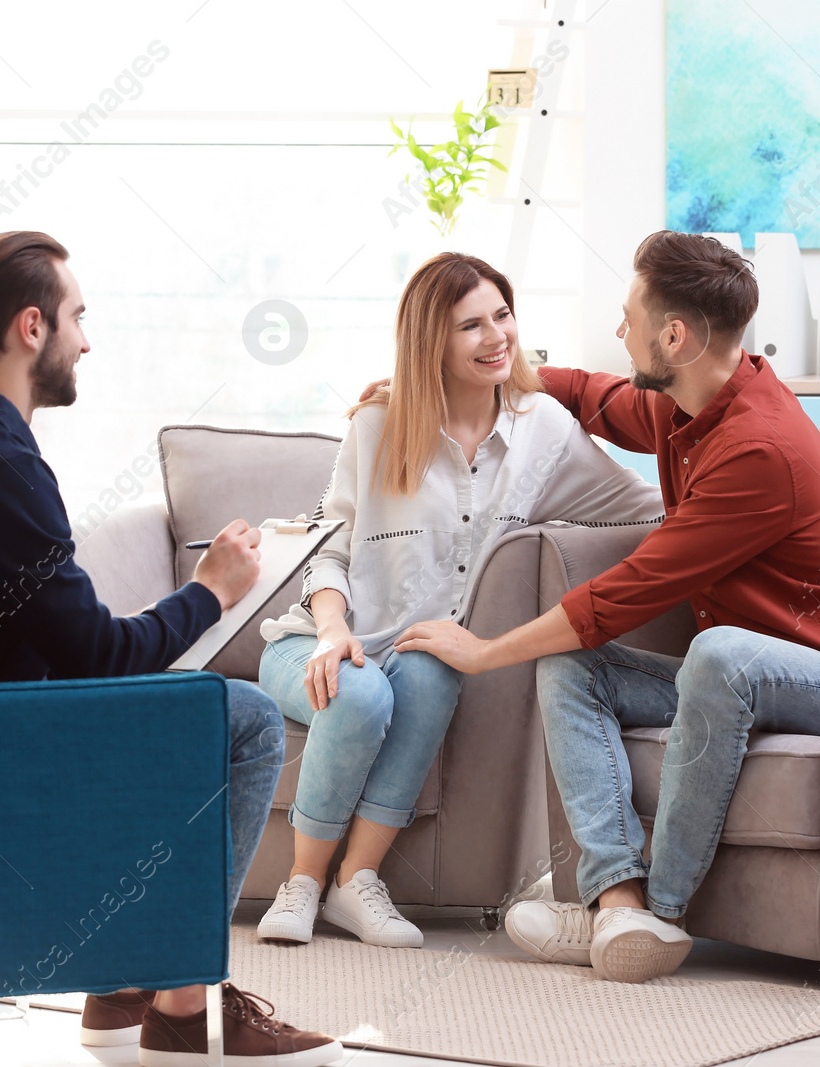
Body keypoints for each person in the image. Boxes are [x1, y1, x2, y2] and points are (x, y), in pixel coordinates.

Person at [0, 231, 342, 1067]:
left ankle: (121, 983)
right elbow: (98, 659)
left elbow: (54, 632)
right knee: (247, 718)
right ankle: (185, 997)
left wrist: (161, 617)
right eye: (77, 316)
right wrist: (213, 589)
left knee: (181, 709)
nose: (86, 338)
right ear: (31, 327)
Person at [392, 230, 820, 984]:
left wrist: (482, 650)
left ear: (672, 336)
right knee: (569, 664)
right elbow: (589, 394)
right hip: (739, 680)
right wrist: (432, 389)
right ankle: (617, 901)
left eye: (629, 317)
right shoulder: (687, 405)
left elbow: (622, 595)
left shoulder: (759, 450)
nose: (621, 331)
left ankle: (664, 912)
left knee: (719, 651)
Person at [254, 252, 664, 950]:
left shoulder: (543, 428)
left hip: (420, 650)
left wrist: (729, 508)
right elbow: (330, 543)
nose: (496, 336)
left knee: (436, 671)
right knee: (358, 693)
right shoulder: (379, 425)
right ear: (430, 344)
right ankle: (304, 882)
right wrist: (331, 630)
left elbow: (642, 509)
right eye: (470, 325)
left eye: (502, 315)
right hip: (315, 641)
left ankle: (359, 881)